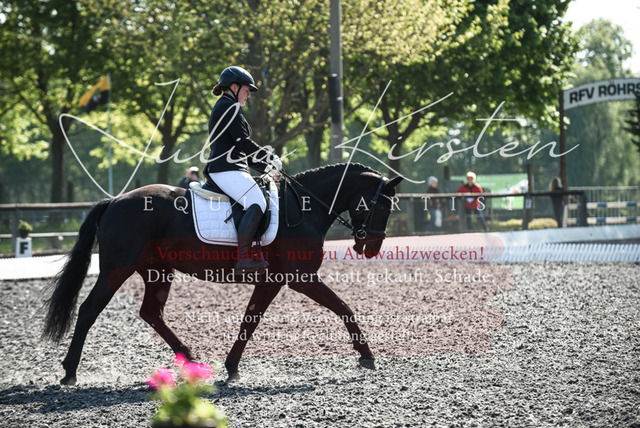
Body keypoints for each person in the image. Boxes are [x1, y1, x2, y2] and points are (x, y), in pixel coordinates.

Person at [203, 66, 282, 274]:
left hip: (231, 167)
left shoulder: (227, 106)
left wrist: (266, 167)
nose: (248, 95)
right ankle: (244, 259)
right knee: (257, 202)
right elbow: (244, 142)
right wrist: (270, 158)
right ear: (234, 87)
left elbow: (240, 150)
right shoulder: (229, 107)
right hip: (225, 168)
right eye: (247, 90)